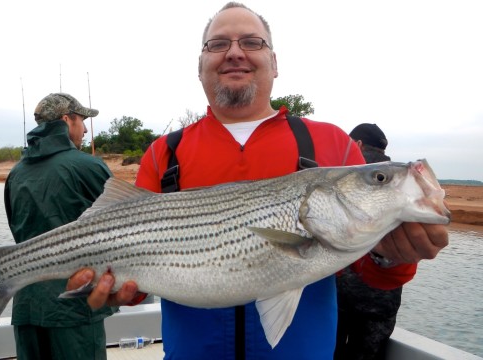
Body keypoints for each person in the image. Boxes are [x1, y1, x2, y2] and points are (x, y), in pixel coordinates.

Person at [67, 3, 448, 359]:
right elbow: (141, 277)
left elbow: (369, 273)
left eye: (252, 42)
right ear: (201, 65)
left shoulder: (332, 143)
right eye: (218, 44)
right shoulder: (164, 153)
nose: (235, 52)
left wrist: (392, 255)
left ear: (274, 62)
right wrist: (121, 292)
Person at [4, 92, 117, 360]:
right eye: (81, 120)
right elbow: (124, 224)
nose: (86, 128)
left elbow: (17, 229)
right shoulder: (88, 166)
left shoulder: (15, 173)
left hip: (26, 307)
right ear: (67, 120)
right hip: (74, 308)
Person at [334, 123, 400, 360]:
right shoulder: (396, 181)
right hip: (382, 304)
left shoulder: (348, 176)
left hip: (342, 297)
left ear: (358, 144)